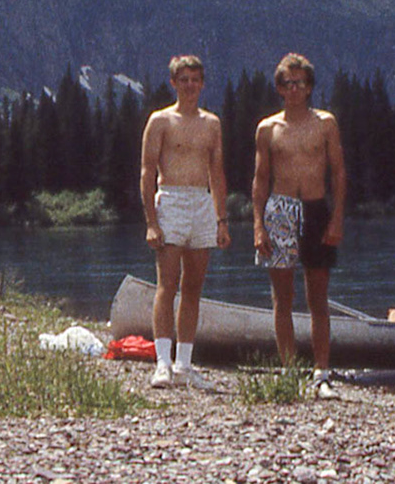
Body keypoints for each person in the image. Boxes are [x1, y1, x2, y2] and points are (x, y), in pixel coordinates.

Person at [252, 51, 347, 397]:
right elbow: (260, 179)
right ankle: (290, 372)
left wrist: (336, 218)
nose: (293, 89)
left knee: (317, 298)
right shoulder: (268, 128)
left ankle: (322, 372)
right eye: (287, 83)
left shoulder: (325, 123)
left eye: (300, 83)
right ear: (279, 88)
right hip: (279, 210)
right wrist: (258, 226)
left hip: (316, 209)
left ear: (309, 88)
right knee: (282, 298)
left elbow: (338, 172)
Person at [140, 54, 229, 390]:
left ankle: (184, 365)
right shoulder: (160, 121)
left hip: (201, 202)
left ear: (202, 84)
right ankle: (162, 363)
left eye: (195, 79)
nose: (190, 85)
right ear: (173, 83)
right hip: (171, 200)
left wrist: (221, 219)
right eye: (184, 79)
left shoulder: (211, 123)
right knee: (168, 284)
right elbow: (148, 171)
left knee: (193, 287)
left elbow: (217, 172)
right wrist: (152, 221)